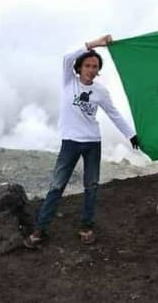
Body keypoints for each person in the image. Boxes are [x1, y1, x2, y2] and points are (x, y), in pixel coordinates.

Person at [24, 34, 140, 248]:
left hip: (92, 143)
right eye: (87, 65)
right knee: (57, 185)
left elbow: (114, 113)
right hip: (70, 142)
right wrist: (95, 44)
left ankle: (86, 226)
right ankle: (40, 229)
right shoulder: (69, 82)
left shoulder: (100, 91)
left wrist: (130, 134)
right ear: (79, 67)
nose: (91, 69)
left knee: (91, 186)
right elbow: (68, 57)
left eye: (95, 66)